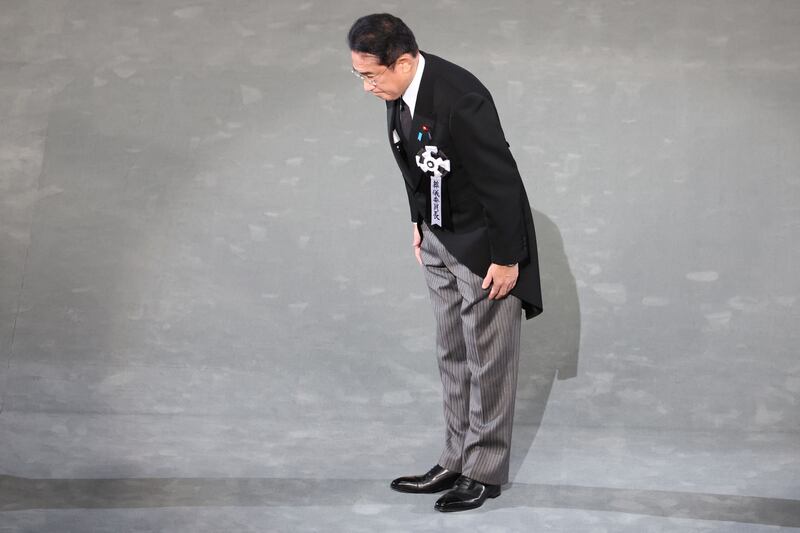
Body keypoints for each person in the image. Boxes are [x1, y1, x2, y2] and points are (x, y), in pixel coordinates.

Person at [346, 13, 543, 513]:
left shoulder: (461, 96)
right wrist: (418, 222)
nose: (366, 86)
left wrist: (507, 258)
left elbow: (501, 181)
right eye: (359, 75)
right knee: (453, 354)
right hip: (438, 236)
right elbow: (414, 161)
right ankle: (455, 457)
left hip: (483, 249)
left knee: (488, 361)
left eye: (371, 75)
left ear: (405, 61)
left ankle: (484, 470)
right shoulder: (399, 94)